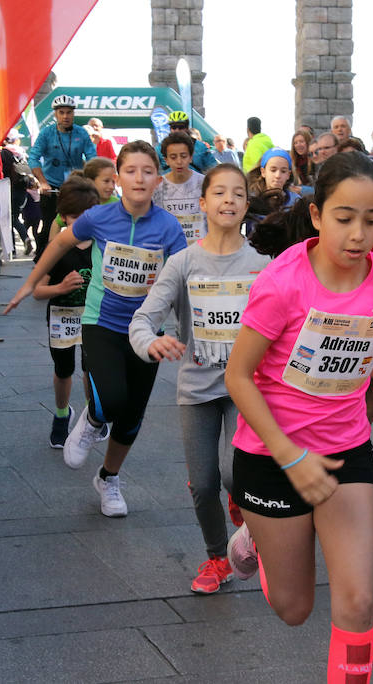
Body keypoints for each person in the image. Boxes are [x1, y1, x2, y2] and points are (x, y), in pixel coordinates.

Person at [223, 151, 373, 683]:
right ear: (317, 216)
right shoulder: (282, 284)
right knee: (294, 608)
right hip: (271, 455)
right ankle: (255, 538)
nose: (358, 235)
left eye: (372, 221)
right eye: (344, 218)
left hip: (345, 449)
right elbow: (239, 377)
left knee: (357, 601)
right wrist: (290, 455)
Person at [4, 141, 188, 517]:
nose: (139, 177)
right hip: (100, 322)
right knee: (111, 399)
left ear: (158, 179)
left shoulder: (169, 228)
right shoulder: (99, 217)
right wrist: (30, 281)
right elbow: (58, 244)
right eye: (131, 170)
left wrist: (190, 332)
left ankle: (108, 478)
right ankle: (90, 419)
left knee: (132, 416)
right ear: (118, 177)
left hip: (146, 331)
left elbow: (182, 281)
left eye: (148, 170)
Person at [130, 163, 271, 593]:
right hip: (196, 387)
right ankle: (217, 558)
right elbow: (142, 320)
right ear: (203, 203)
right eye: (220, 193)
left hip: (246, 385)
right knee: (203, 483)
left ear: (247, 205)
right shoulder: (183, 263)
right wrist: (150, 343)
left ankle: (246, 512)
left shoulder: (263, 266)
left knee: (234, 473)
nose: (229, 200)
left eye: (238, 194)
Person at [31, 176, 107, 448]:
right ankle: (62, 415)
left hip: (93, 318)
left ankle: (91, 417)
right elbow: (38, 290)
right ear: (63, 217)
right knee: (64, 370)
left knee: (92, 370)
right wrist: (60, 287)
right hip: (62, 317)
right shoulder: (58, 247)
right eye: (75, 217)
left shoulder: (103, 245)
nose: (81, 223)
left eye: (87, 216)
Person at [28, 94, 96, 258]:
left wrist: (91, 179)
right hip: (51, 187)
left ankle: (82, 258)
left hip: (75, 187)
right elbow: (33, 157)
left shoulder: (82, 133)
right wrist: (42, 182)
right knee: (49, 224)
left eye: (69, 112)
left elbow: (92, 158)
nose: (65, 116)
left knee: (82, 223)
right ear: (55, 114)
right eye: (61, 112)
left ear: (73, 114)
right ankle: (42, 259)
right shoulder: (46, 133)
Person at [153, 132, 206, 244]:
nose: (179, 161)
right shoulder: (157, 186)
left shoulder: (204, 183)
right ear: (166, 160)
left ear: (191, 157)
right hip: (170, 247)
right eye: (173, 157)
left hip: (200, 248)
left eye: (183, 156)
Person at [245, 148, 300, 235]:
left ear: (288, 175)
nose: (278, 175)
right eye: (273, 170)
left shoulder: (296, 201)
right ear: (263, 172)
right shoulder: (250, 199)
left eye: (283, 171)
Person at [0, 129, 33, 255]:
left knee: (9, 219)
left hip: (8, 190)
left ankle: (13, 247)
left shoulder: (3, 153)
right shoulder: (21, 153)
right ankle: (16, 245)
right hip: (22, 190)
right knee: (13, 218)